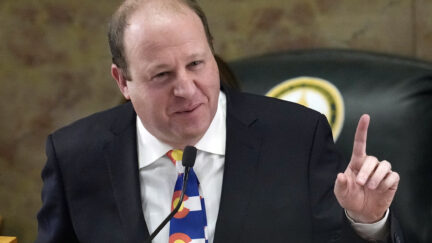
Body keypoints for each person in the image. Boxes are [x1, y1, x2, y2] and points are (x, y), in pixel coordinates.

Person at [36, 0, 403, 242]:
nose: (186, 89)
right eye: (162, 75)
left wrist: (367, 223)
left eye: (196, 64)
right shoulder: (75, 157)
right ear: (123, 81)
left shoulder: (296, 138)